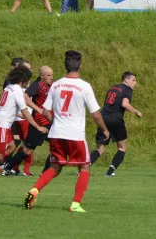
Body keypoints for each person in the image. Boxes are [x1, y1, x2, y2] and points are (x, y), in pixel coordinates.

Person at [24, 50, 109, 213]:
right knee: (84, 167)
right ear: (80, 66)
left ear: (65, 66)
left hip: (56, 133)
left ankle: (34, 190)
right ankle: (75, 204)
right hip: (75, 135)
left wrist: (56, 122)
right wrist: (104, 129)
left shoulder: (55, 85)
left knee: (55, 167)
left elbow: (46, 111)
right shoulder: (84, 86)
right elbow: (96, 114)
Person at [1, 66, 54, 176]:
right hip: (39, 122)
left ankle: (46, 172)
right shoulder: (37, 85)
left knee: (56, 147)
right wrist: (38, 109)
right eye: (48, 75)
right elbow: (25, 96)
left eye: (52, 75)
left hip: (50, 123)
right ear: (42, 76)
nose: (51, 78)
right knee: (28, 150)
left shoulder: (51, 86)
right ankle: (7, 166)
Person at [89, 72, 142, 177]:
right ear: (126, 80)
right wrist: (136, 111)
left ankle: (83, 169)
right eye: (133, 80)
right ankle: (110, 172)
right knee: (122, 147)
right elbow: (125, 104)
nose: (135, 83)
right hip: (115, 119)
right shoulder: (127, 89)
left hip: (103, 118)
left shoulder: (113, 88)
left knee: (100, 148)